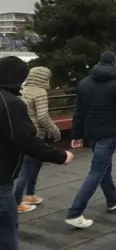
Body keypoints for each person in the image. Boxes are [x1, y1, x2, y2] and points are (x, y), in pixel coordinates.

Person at [66, 51, 116, 229]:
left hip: (91, 134)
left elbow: (78, 112)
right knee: (97, 171)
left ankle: (112, 199)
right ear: (115, 64)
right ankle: (75, 212)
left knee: (103, 166)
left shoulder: (84, 83)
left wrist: (76, 135)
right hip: (107, 133)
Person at [0, 56, 72, 250]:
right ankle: (23, 198)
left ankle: (28, 195)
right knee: (6, 233)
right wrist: (61, 155)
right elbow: (26, 139)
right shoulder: (10, 102)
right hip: (1, 179)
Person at [14, 66, 62, 214]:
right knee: (28, 168)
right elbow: (42, 116)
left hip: (21, 132)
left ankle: (30, 195)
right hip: (35, 134)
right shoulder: (40, 92)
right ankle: (17, 202)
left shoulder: (21, 90)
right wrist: (55, 131)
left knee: (33, 165)